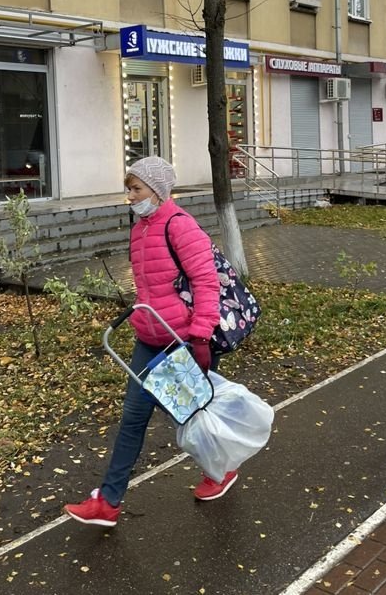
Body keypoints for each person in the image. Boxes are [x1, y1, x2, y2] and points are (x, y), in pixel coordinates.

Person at [64, 156, 236, 527]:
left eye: (136, 189)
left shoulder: (180, 225)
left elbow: (206, 282)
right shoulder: (140, 228)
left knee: (191, 416)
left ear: (157, 191)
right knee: (133, 417)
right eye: (128, 189)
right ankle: (108, 501)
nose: (130, 196)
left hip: (183, 339)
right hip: (150, 337)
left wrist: (201, 335)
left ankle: (221, 471)